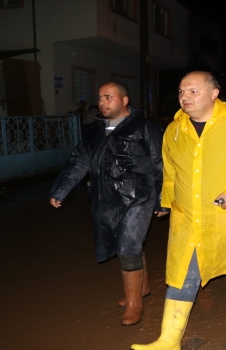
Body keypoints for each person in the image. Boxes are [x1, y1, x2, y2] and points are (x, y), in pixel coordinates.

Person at [131, 71, 226, 350]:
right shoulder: (175, 130)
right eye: (181, 92)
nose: (185, 97)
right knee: (181, 272)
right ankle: (169, 339)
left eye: (193, 91)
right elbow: (171, 171)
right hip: (187, 215)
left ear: (214, 93)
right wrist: (166, 201)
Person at [49, 81, 165, 326]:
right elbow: (79, 162)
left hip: (139, 196)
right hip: (105, 197)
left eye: (108, 97)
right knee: (125, 243)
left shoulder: (145, 127)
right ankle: (141, 287)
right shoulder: (93, 131)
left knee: (126, 246)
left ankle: (135, 304)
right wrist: (61, 189)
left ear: (124, 101)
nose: (102, 102)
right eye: (100, 98)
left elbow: (161, 163)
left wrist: (162, 200)